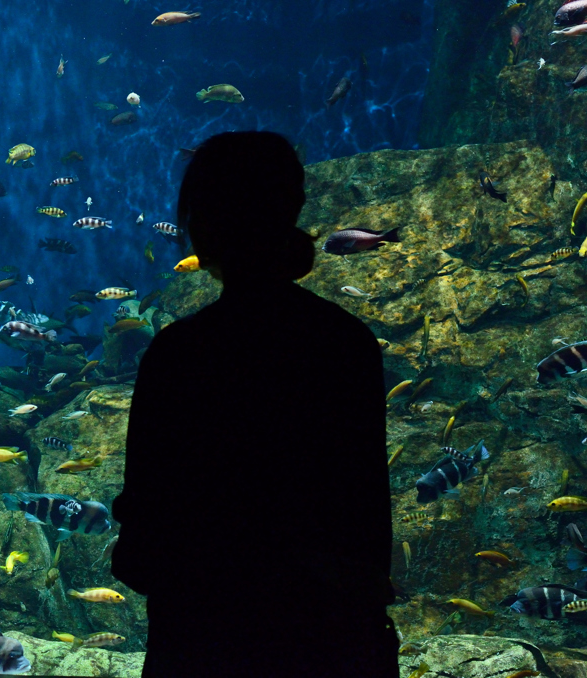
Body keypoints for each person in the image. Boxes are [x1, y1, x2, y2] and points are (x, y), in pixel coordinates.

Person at [110, 131, 397, 677]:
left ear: (202, 226)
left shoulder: (178, 355)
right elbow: (364, 519)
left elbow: (143, 538)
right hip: (328, 641)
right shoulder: (344, 343)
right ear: (291, 211)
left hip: (202, 640)